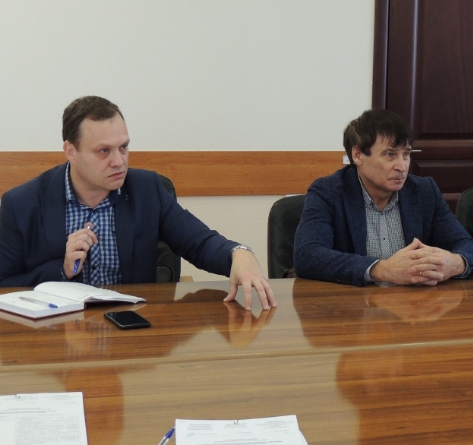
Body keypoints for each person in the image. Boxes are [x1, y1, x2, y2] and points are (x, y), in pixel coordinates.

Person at [0, 96, 275, 310]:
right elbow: (4, 284)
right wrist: (61, 269)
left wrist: (239, 253)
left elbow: (199, 243)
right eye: (104, 151)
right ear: (70, 151)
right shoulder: (21, 204)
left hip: (131, 330)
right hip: (57, 339)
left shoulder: (147, 190)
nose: (119, 161)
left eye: (123, 147)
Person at [293, 108, 473, 286]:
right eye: (390, 154)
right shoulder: (328, 192)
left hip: (413, 305)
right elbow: (307, 255)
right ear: (358, 155)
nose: (402, 166)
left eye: (406, 154)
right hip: (354, 305)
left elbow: (466, 244)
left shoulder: (424, 191)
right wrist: (382, 269)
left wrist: (455, 263)